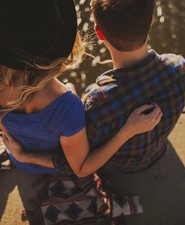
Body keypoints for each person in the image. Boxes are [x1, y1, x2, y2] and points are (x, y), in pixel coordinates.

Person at [0, 0, 162, 224]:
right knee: (73, 96)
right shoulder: (68, 106)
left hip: (18, 159)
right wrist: (127, 131)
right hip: (43, 163)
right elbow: (82, 168)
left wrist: (20, 155)